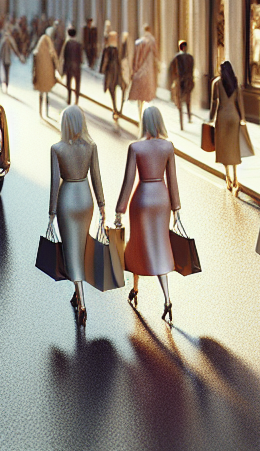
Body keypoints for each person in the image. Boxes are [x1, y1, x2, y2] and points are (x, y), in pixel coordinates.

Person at [114, 105, 182, 324]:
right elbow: (173, 181)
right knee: (161, 246)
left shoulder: (135, 147)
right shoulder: (168, 147)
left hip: (141, 199)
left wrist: (119, 210)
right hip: (161, 198)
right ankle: (167, 298)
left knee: (137, 244)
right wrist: (176, 210)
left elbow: (128, 181)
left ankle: (135, 288)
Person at [49, 105, 105, 327]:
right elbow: (97, 177)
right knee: (79, 247)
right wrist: (102, 204)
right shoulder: (91, 146)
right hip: (85, 198)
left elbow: (55, 183)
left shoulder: (57, 148)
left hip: (67, 199)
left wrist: (51, 212)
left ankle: (82, 302)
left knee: (70, 250)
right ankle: (76, 292)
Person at [209, 60, 245, 193]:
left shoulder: (216, 83)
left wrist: (211, 118)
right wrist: (242, 118)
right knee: (234, 147)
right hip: (234, 117)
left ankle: (228, 177)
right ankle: (236, 177)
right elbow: (239, 102)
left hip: (222, 117)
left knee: (223, 147)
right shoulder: (236, 83)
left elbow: (214, 103)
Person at [128, 24, 159, 117]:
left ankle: (140, 114)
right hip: (149, 72)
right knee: (148, 96)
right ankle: (146, 115)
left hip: (140, 71)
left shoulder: (139, 42)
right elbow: (156, 56)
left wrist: (134, 70)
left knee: (139, 96)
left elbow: (135, 59)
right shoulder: (152, 41)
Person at [33, 26, 61, 117]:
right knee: (47, 93)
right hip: (48, 73)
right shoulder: (49, 43)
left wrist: (34, 71)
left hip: (40, 73)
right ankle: (46, 112)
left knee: (41, 93)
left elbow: (35, 55)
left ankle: (41, 111)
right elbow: (54, 57)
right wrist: (58, 70)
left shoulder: (40, 42)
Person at [168, 40, 195, 129]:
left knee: (179, 102)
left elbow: (171, 69)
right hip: (189, 81)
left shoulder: (177, 57)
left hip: (180, 81)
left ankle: (181, 124)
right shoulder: (190, 57)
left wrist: (173, 79)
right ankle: (189, 116)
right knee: (188, 100)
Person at [99, 30, 125, 119]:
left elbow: (105, 60)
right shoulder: (116, 50)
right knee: (117, 88)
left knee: (111, 89)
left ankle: (115, 108)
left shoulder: (107, 49)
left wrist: (102, 69)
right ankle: (118, 109)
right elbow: (118, 62)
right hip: (116, 71)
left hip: (110, 71)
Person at [0, 25, 22, 92]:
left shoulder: (10, 41)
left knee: (6, 73)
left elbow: (14, 49)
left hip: (8, 60)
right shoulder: (4, 41)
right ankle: (3, 85)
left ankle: (6, 86)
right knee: (3, 73)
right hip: (4, 59)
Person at [62, 26, 83, 106]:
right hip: (77, 66)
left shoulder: (67, 44)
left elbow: (65, 56)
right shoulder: (78, 44)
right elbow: (80, 57)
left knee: (69, 84)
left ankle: (69, 99)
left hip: (69, 66)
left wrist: (64, 69)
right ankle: (77, 100)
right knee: (77, 83)